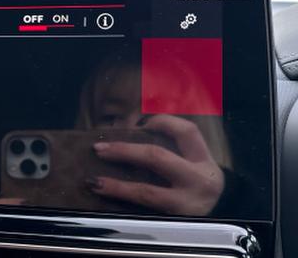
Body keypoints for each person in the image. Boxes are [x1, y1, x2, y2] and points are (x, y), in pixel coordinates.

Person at [74, 51, 232, 217]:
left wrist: (221, 205)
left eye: (154, 116)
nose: (131, 131)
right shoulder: (69, 203)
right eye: (111, 117)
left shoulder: (235, 210)